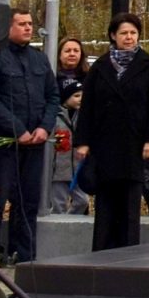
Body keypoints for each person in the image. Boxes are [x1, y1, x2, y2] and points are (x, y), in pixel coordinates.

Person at [0, 7, 59, 264]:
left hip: (35, 143)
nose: (27, 28)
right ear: (8, 27)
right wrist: (17, 129)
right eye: (21, 23)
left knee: (28, 204)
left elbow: (52, 97)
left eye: (30, 23)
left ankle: (25, 258)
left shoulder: (39, 59)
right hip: (4, 143)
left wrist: (44, 127)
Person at [76, 12, 149, 251]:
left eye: (133, 33)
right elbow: (88, 106)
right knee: (105, 204)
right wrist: (83, 141)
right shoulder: (101, 66)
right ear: (113, 36)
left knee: (129, 204)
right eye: (124, 33)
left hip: (134, 145)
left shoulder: (148, 65)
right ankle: (102, 253)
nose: (129, 38)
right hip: (104, 145)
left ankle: (127, 255)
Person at [49, 76, 89, 216]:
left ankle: (70, 221)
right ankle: (57, 230)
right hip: (58, 170)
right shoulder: (55, 117)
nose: (80, 99)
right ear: (65, 98)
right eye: (76, 96)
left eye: (82, 95)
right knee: (58, 204)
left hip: (77, 168)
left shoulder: (83, 116)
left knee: (82, 201)